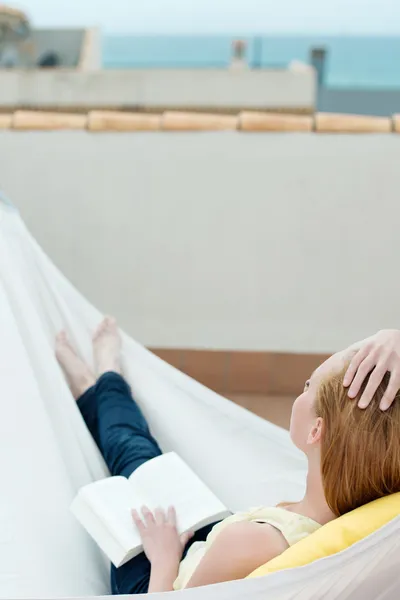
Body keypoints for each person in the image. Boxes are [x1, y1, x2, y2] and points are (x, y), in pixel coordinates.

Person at [56, 318, 400, 595]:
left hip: (158, 581)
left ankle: (100, 381)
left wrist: (164, 559)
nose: (302, 390)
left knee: (131, 451)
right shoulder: (360, 515)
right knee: (149, 460)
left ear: (315, 431)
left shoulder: (249, 542)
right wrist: (391, 337)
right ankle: (98, 389)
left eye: (308, 387)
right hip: (209, 555)